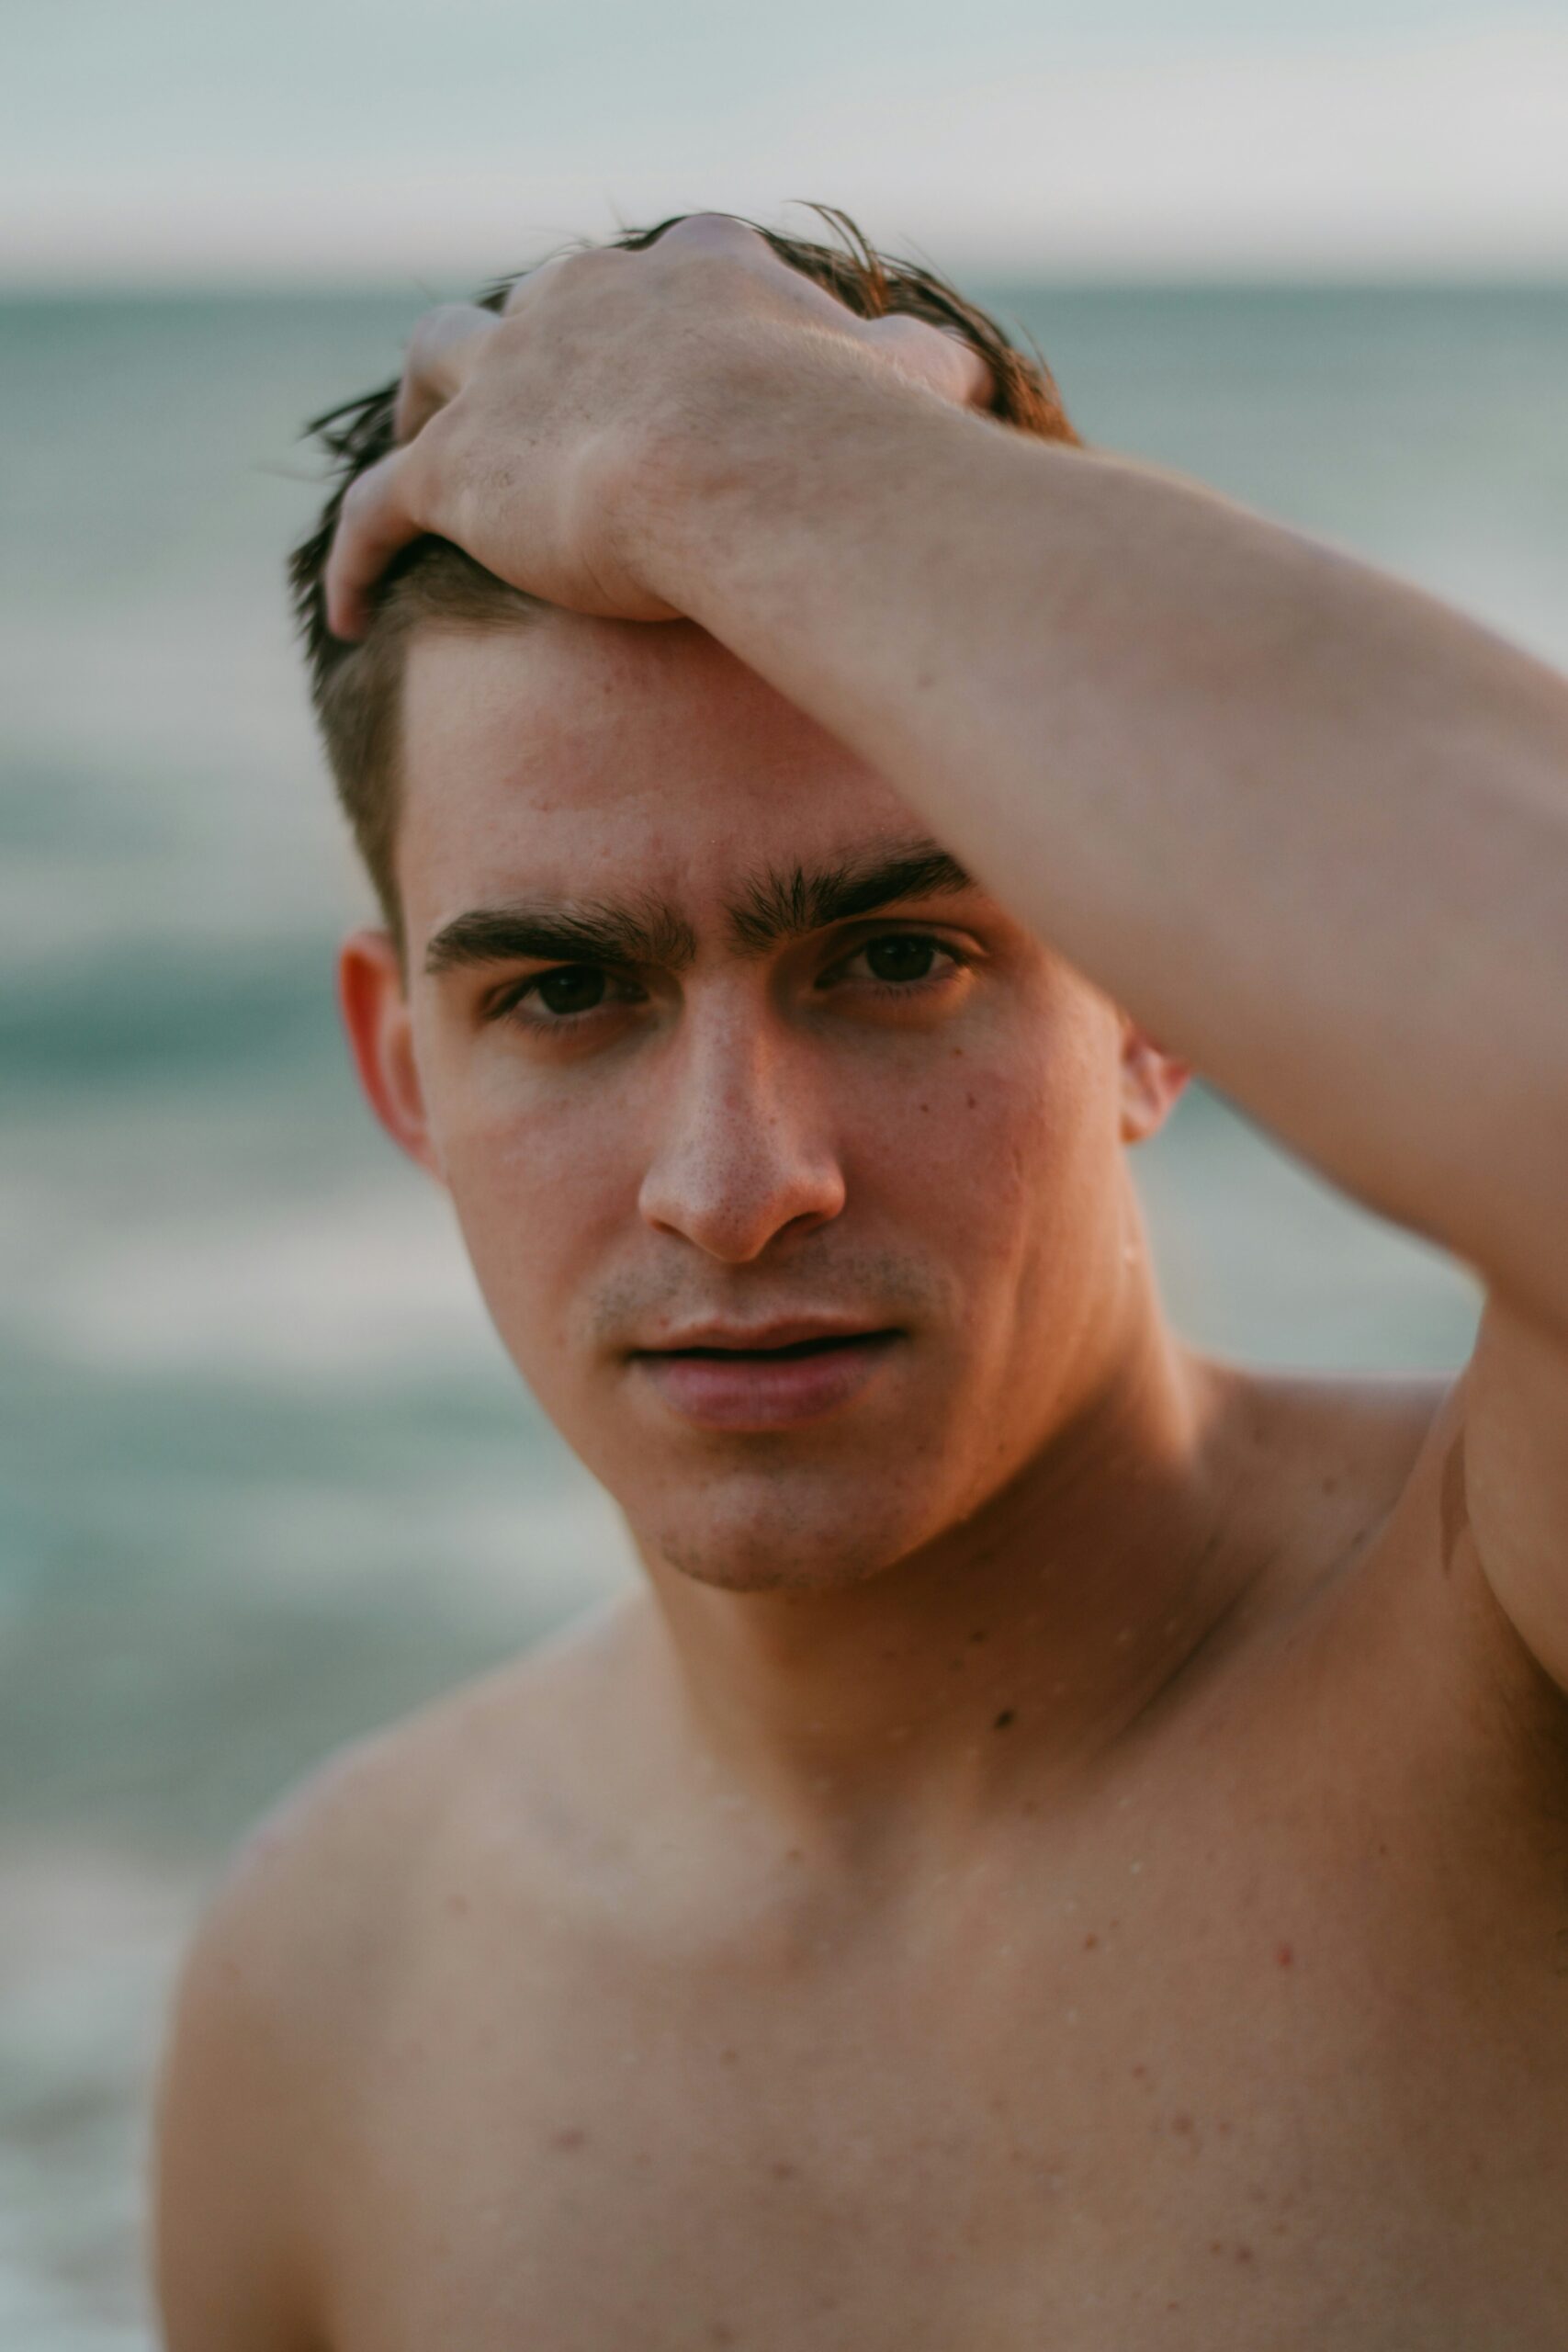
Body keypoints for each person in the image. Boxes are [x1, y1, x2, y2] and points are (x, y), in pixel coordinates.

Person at [151, 209, 1568, 2348]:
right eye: (562, 992)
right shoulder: (326, 1993)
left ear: (1153, 991)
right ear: (402, 1063)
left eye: (897, 955)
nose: (734, 1186)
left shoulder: (1502, 1667)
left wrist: (749, 453)